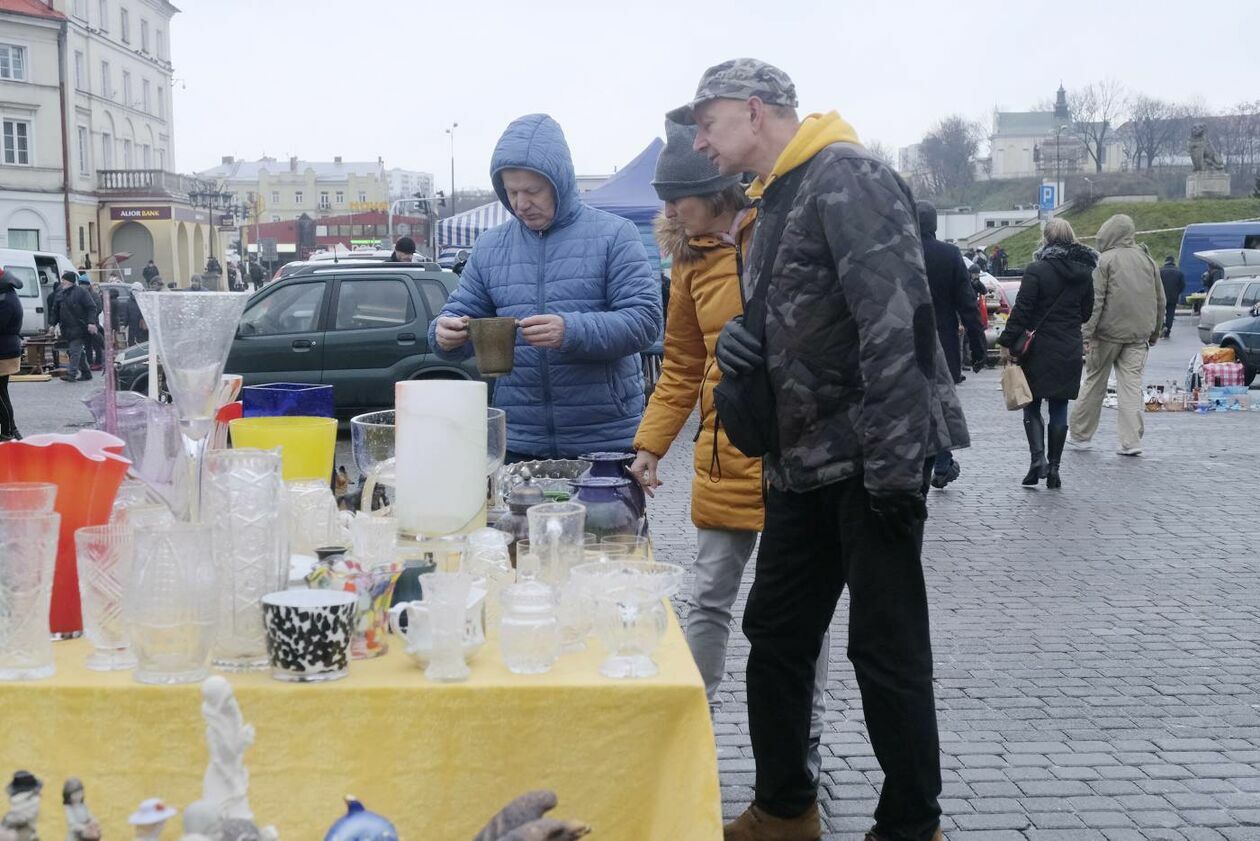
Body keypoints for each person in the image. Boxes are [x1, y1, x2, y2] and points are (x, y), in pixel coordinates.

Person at [677, 58, 966, 841]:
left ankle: (912, 823)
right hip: (798, 463)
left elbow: (897, 322)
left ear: (754, 109)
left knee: (886, 649)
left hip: (871, 462)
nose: (698, 140)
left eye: (707, 122)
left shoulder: (848, 175)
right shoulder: (771, 200)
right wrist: (749, 355)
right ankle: (783, 805)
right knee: (774, 633)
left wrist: (900, 470)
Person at [629, 119, 830, 779]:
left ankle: (805, 738)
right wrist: (650, 445)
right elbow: (682, 365)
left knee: (805, 609)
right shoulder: (688, 264)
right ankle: (692, 726)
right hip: (723, 458)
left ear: (713, 189)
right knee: (708, 594)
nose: (667, 211)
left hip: (794, 460)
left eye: (675, 196)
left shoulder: (777, 234)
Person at [429, 114, 662, 459]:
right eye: (511, 192)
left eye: (532, 191)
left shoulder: (615, 234)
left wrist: (570, 330)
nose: (521, 203)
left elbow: (646, 322)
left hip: (604, 440)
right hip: (520, 440)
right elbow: (459, 314)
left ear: (560, 183)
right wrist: (443, 335)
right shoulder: (491, 246)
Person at [996, 218, 1096, 488]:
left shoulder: (1036, 270)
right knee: (1060, 406)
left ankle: (1037, 460)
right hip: (1069, 346)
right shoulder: (1084, 272)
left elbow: (1023, 311)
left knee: (1032, 403)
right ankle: (1054, 470)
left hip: (1038, 348)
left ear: (1046, 239)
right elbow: (1086, 312)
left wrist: (1006, 340)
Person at [1069, 214, 1165, 456]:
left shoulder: (1105, 261)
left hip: (1106, 335)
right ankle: (1131, 442)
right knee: (1131, 386)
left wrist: (1085, 335)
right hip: (1138, 336)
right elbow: (1160, 299)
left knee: (1095, 382)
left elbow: (1096, 301)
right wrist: (1155, 331)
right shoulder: (1147, 260)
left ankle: (1081, 435)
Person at [916, 201, 986, 490]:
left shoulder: (896, 252)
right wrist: (979, 347)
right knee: (940, 404)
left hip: (903, 344)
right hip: (942, 342)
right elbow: (968, 304)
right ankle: (941, 463)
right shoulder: (949, 254)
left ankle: (934, 464)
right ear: (935, 225)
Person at [55, 271, 98, 382]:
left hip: (79, 327)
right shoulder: (60, 293)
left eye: (64, 280)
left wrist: (91, 322)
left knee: (74, 351)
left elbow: (92, 307)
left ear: (70, 281)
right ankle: (86, 373)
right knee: (78, 352)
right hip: (66, 328)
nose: (62, 282)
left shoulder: (81, 292)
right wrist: (52, 324)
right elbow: (55, 310)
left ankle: (71, 374)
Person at [0, 269, 23, 441]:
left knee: (1, 394)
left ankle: (7, 432)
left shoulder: (6, 300)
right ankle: (11, 429)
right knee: (2, 393)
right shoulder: (7, 296)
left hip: (4, 352)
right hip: (5, 349)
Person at [1160, 256, 1185, 338]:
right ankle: (1168, 331)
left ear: (1165, 261)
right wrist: (1177, 293)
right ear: (1173, 261)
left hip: (1161, 296)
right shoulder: (1179, 272)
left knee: (1160, 314)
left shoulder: (1160, 271)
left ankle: (1162, 326)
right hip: (1173, 297)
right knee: (1170, 315)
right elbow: (1182, 286)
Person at [126, 281, 148, 345]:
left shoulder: (129, 301)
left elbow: (126, 316)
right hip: (142, 328)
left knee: (132, 344)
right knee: (143, 344)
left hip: (133, 328)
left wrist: (124, 324)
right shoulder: (145, 300)